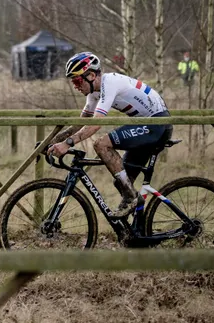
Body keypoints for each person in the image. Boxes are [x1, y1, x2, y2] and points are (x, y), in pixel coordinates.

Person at [45, 51, 172, 218]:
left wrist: (68, 143)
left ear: (91, 75)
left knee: (101, 144)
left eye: (76, 80)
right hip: (146, 125)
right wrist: (52, 142)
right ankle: (136, 233)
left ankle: (132, 198)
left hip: (156, 124)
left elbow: (96, 123)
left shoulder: (109, 82)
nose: (75, 86)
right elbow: (81, 123)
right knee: (121, 183)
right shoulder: (93, 94)